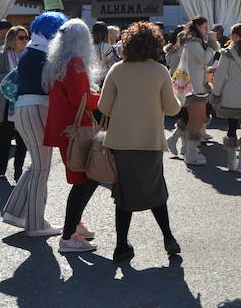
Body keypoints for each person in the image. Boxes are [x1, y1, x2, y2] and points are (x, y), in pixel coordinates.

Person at [98, 22, 182, 263]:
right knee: (156, 191)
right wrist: (179, 95)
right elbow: (172, 107)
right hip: (150, 141)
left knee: (123, 196)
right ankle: (168, 238)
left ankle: (121, 246)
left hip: (121, 142)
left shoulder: (117, 69)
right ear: (155, 45)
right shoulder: (159, 71)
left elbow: (103, 107)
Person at [1, 11, 68, 237]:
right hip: (36, 109)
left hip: (26, 109)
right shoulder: (42, 53)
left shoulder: (32, 50)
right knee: (41, 168)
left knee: (37, 165)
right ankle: (36, 223)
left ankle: (15, 212)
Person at [42, 19, 101, 253]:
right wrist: (106, 97)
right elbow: (82, 99)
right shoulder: (75, 63)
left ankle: (74, 224)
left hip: (66, 127)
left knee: (85, 178)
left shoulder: (57, 62)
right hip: (76, 129)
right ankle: (68, 236)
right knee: (84, 179)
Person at [210, 23, 241, 173]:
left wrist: (215, 95)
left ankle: (232, 163)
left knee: (231, 127)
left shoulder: (226, 53)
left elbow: (219, 77)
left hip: (229, 94)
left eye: (232, 34)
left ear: (236, 36)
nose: (230, 37)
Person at [175, 16, 221, 166]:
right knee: (197, 119)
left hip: (193, 85)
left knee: (196, 119)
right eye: (204, 27)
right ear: (197, 27)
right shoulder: (193, 41)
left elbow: (198, 64)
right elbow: (203, 59)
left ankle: (189, 150)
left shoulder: (192, 40)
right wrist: (212, 45)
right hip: (193, 87)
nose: (207, 30)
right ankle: (190, 153)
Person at [0, 26, 29, 181]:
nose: (25, 41)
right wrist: (12, 78)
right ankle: (1, 169)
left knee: (22, 139)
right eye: (21, 38)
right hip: (8, 102)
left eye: (26, 37)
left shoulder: (29, 56)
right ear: (12, 39)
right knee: (5, 138)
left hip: (25, 101)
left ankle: (18, 170)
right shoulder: (3, 55)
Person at [91, 21, 118, 87]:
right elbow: (111, 64)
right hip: (105, 78)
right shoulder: (107, 46)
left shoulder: (89, 46)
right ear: (105, 33)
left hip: (92, 78)